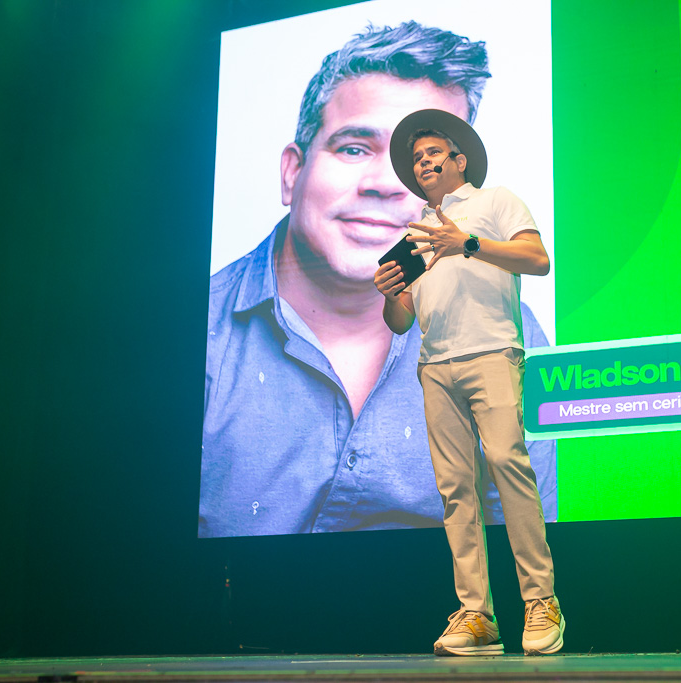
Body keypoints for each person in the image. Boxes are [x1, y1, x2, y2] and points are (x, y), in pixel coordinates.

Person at [199, 22, 556, 538]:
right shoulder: (195, 332)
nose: (386, 184)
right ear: (292, 173)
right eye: (354, 149)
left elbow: (527, 549)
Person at [374, 109, 563, 656]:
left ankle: (541, 599)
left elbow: (537, 260)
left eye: (434, 152)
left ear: (459, 160)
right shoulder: (415, 233)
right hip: (435, 365)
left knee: (508, 464)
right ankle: (478, 614)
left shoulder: (496, 201)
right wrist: (390, 292)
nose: (424, 162)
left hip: (492, 351)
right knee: (455, 489)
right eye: (417, 158)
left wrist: (468, 243)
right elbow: (400, 321)